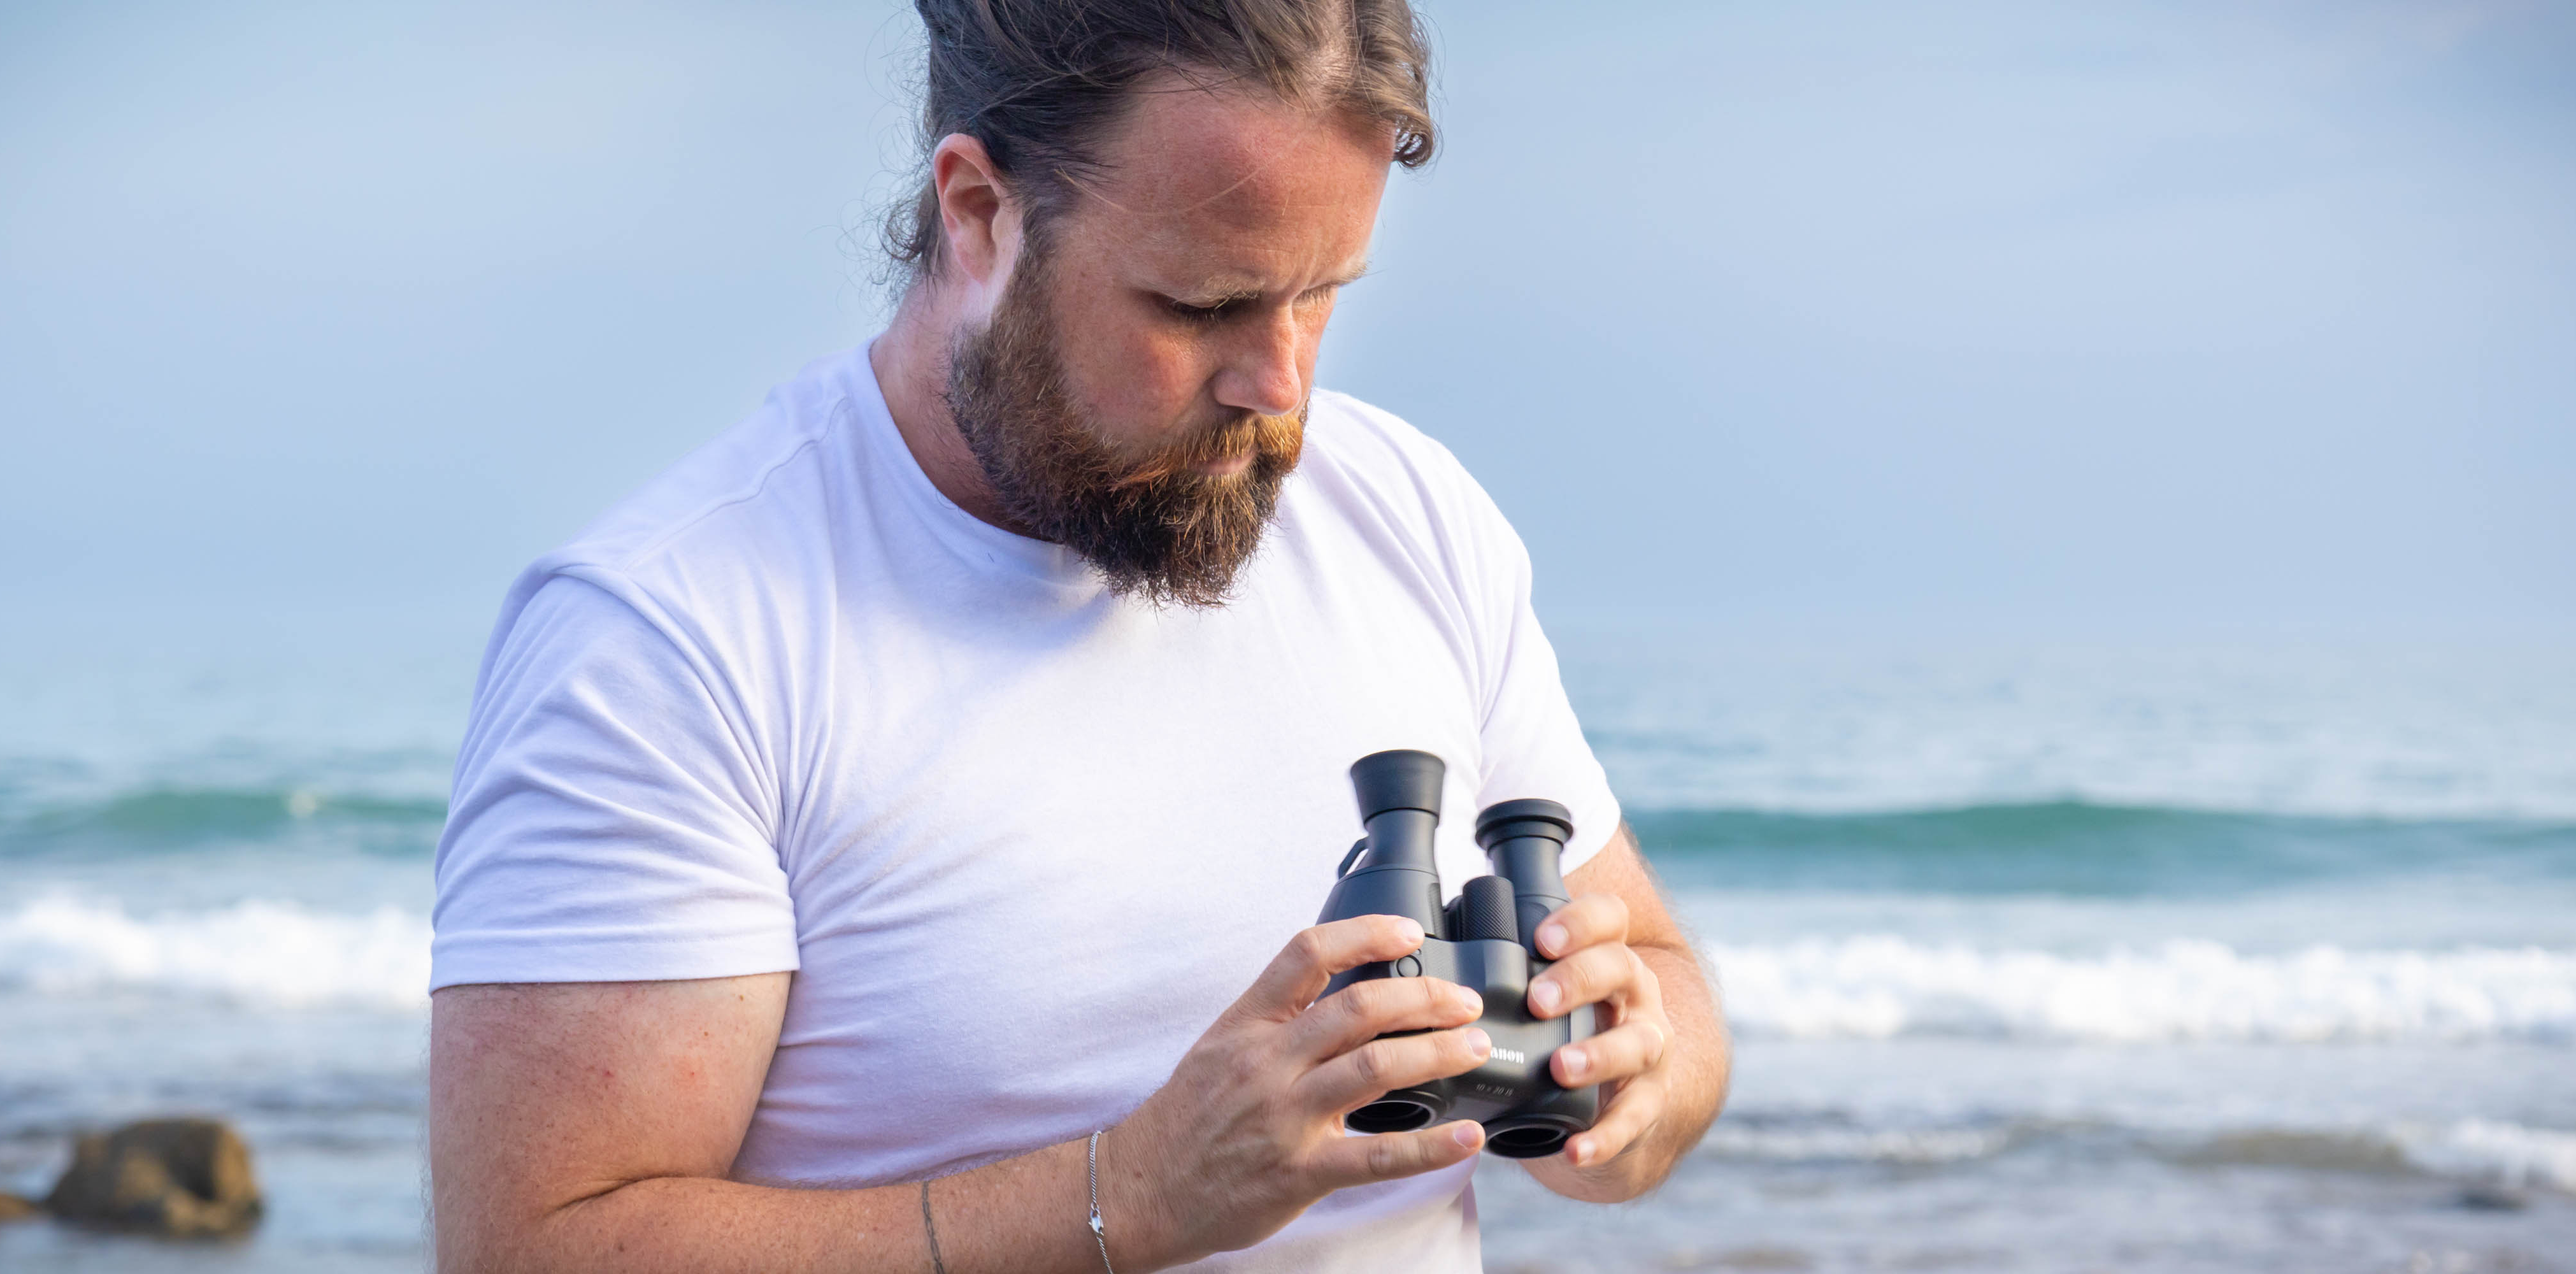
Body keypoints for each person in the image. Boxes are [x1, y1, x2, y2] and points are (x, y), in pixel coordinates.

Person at [425, 1, 1730, 1270]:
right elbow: (533, 1246)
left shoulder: (1411, 513)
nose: (1280, 386)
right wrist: (1134, 1196)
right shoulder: (668, 635)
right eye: (1201, 305)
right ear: (980, 213)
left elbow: (1663, 984)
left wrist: (1629, 1082)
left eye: (1321, 294)